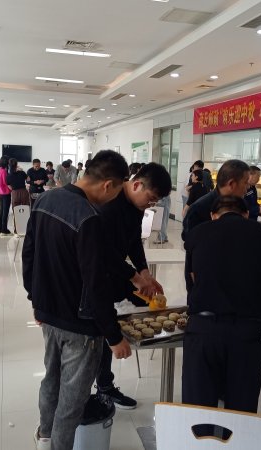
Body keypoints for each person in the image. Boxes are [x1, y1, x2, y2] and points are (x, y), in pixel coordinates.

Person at [22, 150, 132, 450]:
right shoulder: (88, 217)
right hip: (80, 325)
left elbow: (29, 254)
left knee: (51, 380)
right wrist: (113, 336)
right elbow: (96, 283)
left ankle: (45, 440)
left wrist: (36, 300)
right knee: (72, 399)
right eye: (117, 191)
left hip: (49, 314)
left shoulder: (45, 200)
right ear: (108, 185)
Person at [183, 195, 261, 419]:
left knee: (198, 412)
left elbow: (195, 280)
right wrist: (259, 308)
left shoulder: (197, 234)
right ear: (247, 214)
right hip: (248, 333)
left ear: (213, 215)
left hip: (204, 331)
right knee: (241, 413)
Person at [96, 162, 172, 409]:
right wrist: (136, 278)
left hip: (115, 272)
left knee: (120, 316)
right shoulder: (109, 202)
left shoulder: (135, 206)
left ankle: (104, 385)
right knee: (96, 331)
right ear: (137, 184)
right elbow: (104, 252)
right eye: (150, 199)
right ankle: (94, 393)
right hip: (95, 275)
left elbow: (133, 242)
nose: (150, 205)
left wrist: (145, 272)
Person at [182, 159, 250, 241]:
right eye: (246, 182)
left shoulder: (242, 206)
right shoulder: (199, 208)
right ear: (231, 184)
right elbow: (189, 240)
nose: (248, 187)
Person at [0, 156, 12, 235]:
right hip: (5, 192)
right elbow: (6, 182)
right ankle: (4, 230)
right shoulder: (4, 171)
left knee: (1, 210)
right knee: (5, 211)